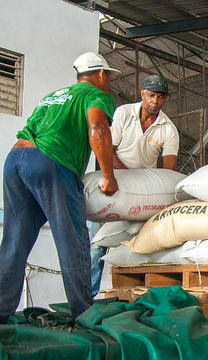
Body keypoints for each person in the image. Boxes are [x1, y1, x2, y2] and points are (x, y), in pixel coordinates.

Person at [0, 52, 120, 323]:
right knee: (72, 239)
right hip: (50, 162)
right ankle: (84, 314)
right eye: (109, 75)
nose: (109, 81)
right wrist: (108, 176)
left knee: (13, 243)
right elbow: (98, 127)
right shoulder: (96, 95)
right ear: (100, 74)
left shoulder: (54, 95)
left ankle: (1, 313)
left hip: (15, 160)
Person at [90, 74, 179, 297]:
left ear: (165, 99)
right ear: (142, 94)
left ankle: (131, 295)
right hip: (113, 184)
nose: (155, 101)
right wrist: (129, 176)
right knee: (96, 246)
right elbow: (108, 150)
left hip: (142, 193)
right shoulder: (123, 114)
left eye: (160, 97)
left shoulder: (168, 129)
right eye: (151, 96)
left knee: (137, 244)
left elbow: (169, 173)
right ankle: (87, 297)